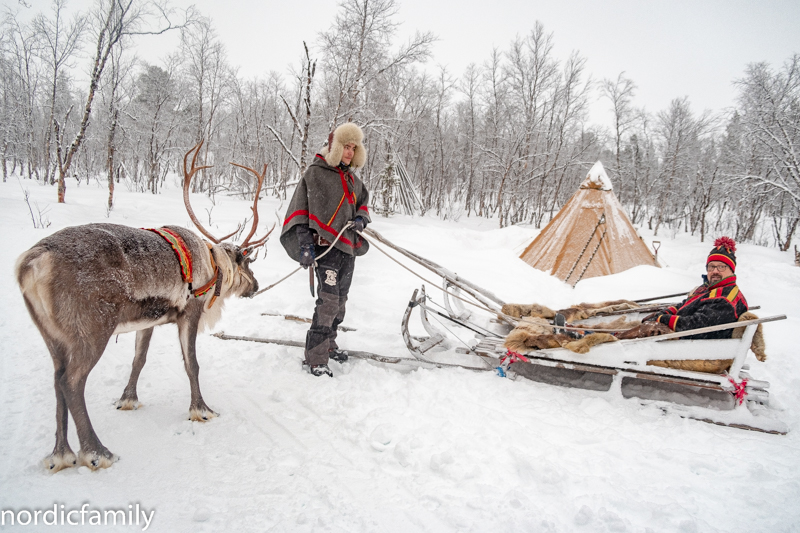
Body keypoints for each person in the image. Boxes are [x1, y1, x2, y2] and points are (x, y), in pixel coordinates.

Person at [280, 123, 371, 377]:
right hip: (325, 249)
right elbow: (301, 212)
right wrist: (306, 246)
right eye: (346, 147)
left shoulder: (351, 178)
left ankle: (329, 345)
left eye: (354, 148)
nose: (350, 153)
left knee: (341, 301)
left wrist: (361, 218)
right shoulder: (315, 174)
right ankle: (315, 357)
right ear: (335, 146)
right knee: (328, 301)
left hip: (346, 247)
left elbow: (363, 201)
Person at [639, 236, 749, 339]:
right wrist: (663, 313)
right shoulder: (708, 288)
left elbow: (695, 325)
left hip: (692, 347)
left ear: (731, 270)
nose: (715, 271)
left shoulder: (725, 298)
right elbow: (684, 305)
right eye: (711, 267)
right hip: (681, 337)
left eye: (721, 267)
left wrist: (661, 319)